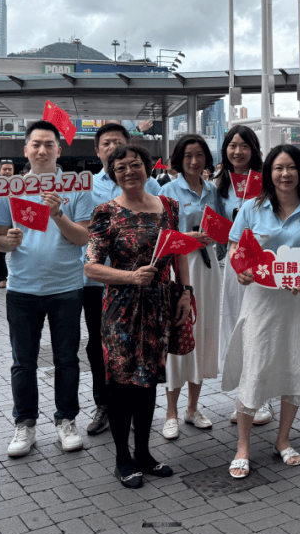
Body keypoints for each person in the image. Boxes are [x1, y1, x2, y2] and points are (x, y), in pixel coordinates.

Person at [84, 143, 192, 488]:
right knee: (122, 384)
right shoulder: (106, 212)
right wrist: (131, 277)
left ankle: (143, 453)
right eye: (120, 168)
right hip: (121, 309)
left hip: (159, 305)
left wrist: (186, 292)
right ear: (113, 175)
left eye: (135, 165)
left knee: (148, 381)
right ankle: (122, 458)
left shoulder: (169, 206)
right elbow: (91, 267)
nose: (129, 172)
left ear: (147, 167)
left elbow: (178, 251)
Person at [223, 145, 300, 479]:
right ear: (269, 173)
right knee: (254, 367)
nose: (285, 174)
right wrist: (240, 267)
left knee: (295, 367)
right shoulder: (252, 208)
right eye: (278, 168)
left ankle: (283, 439)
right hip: (261, 301)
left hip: (298, 303)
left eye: (292, 167)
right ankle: (243, 446)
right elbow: (234, 247)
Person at [0, 121, 93, 458]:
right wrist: (7, 242)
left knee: (67, 359)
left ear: (59, 150)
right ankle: (25, 423)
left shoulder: (76, 188)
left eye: (49, 144)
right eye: (35, 144)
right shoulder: (10, 189)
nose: (42, 150)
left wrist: (57, 214)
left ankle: (66, 419)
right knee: (23, 361)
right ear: (25, 150)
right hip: (22, 288)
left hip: (66, 288)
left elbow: (83, 237)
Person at [82, 123, 163, 437]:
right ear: (99, 152)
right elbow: (91, 261)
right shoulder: (90, 190)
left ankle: (140, 433)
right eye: (106, 143)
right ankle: (105, 407)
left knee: (146, 365)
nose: (129, 171)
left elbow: (168, 239)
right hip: (108, 292)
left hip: (151, 295)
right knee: (106, 356)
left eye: (118, 142)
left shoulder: (156, 192)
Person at [159, 134, 220, 439]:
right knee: (179, 333)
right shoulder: (167, 191)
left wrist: (215, 235)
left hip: (209, 269)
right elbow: (162, 236)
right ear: (178, 160)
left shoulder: (213, 190)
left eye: (199, 155)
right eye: (188, 156)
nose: (194, 161)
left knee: (203, 333)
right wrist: (189, 238)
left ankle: (193, 408)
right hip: (180, 268)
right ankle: (170, 412)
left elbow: (222, 228)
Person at [214, 125, 274, 426]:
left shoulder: (267, 182)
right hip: (235, 263)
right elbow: (216, 225)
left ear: (254, 150)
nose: (237, 152)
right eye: (232, 145)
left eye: (244, 146)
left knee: (261, 326)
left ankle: (263, 397)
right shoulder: (219, 185)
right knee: (236, 325)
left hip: (263, 262)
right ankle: (245, 395)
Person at [0, 159, 15, 289]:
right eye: (5, 169)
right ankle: (2, 278)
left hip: (16, 221)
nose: (7, 171)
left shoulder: (20, 186)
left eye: (10, 169)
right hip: (0, 221)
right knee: (0, 252)